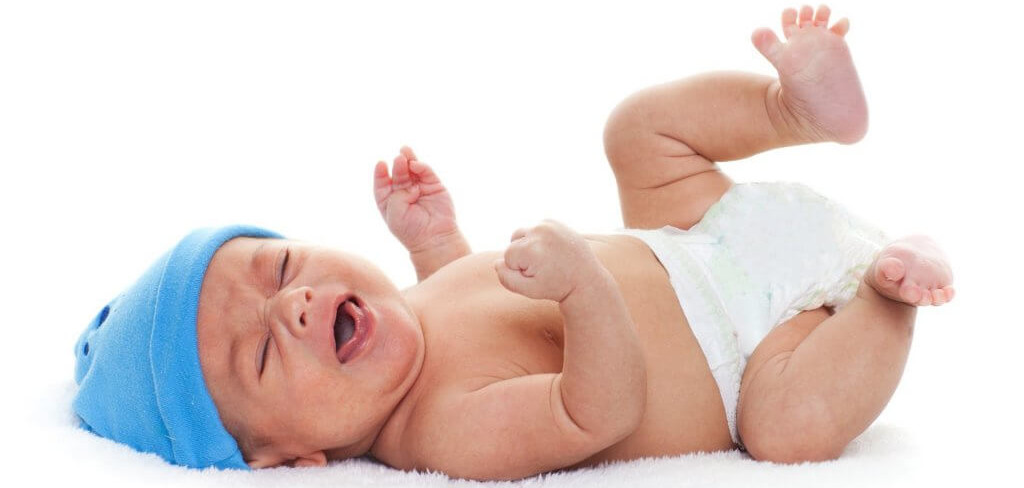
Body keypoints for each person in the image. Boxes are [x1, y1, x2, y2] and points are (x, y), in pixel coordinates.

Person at [72, 5, 954, 480]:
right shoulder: (440, 434)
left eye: (280, 267)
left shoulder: (407, 317)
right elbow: (595, 411)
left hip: (691, 235)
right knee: (789, 433)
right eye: (263, 353)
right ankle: (885, 295)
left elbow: (471, 297)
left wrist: (436, 242)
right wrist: (583, 291)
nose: (294, 305)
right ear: (287, 459)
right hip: (764, 355)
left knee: (635, 132)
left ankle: (793, 110)